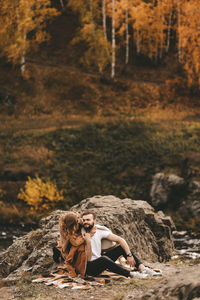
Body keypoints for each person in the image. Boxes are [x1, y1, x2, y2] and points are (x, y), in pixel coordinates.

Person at [80, 210, 150, 278]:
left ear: (94, 221)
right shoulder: (80, 233)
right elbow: (88, 259)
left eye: (88, 220)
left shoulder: (99, 231)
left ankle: (143, 269)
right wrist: (88, 241)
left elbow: (120, 240)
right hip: (88, 268)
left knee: (120, 248)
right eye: (84, 220)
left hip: (100, 262)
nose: (85, 222)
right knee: (103, 259)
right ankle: (131, 274)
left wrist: (129, 255)